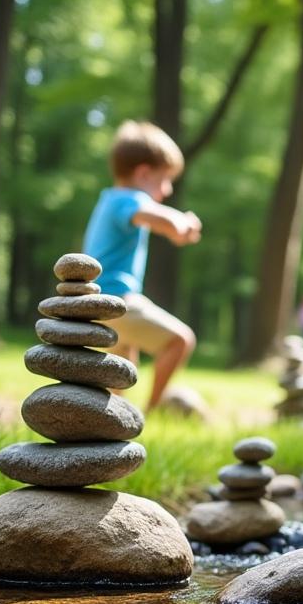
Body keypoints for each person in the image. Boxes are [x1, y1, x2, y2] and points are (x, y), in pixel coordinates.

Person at [82, 120, 202, 412]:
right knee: (180, 341)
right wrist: (181, 223)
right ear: (144, 173)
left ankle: (114, 422)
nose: (168, 189)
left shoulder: (109, 199)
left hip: (98, 302)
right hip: (116, 301)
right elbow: (154, 215)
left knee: (120, 375)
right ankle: (153, 409)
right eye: (164, 179)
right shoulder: (129, 199)